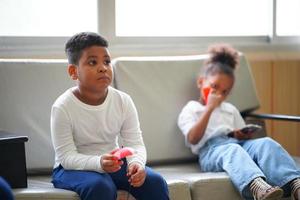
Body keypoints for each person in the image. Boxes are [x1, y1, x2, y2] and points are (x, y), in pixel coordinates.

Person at [51, 32, 169, 200]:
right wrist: (99, 163)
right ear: (73, 71)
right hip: (70, 169)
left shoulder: (123, 101)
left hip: (113, 164)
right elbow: (67, 157)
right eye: (93, 62)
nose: (103, 67)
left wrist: (136, 164)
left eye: (107, 61)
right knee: (101, 186)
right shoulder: (62, 107)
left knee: (154, 182)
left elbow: (135, 143)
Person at [177, 44, 300, 200]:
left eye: (225, 92)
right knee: (232, 149)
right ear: (201, 82)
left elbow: (242, 138)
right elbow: (193, 138)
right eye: (214, 86)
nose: (219, 94)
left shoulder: (230, 109)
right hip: (211, 151)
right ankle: (258, 188)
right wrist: (209, 108)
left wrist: (242, 134)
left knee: (266, 143)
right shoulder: (192, 108)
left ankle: (294, 183)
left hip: (236, 143)